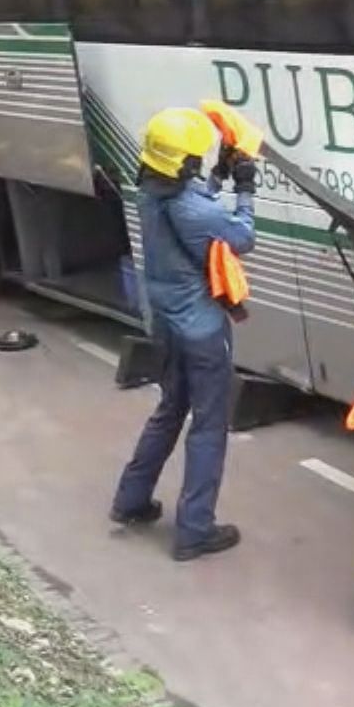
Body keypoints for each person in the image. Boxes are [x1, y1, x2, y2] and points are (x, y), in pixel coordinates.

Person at [108, 107, 256, 561]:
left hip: (165, 322)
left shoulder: (150, 189)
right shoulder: (188, 205)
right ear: (182, 163)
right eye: (196, 157)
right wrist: (246, 188)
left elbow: (194, 210)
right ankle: (195, 529)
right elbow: (240, 236)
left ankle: (131, 501)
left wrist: (216, 176)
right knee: (209, 424)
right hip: (202, 329)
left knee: (171, 407)